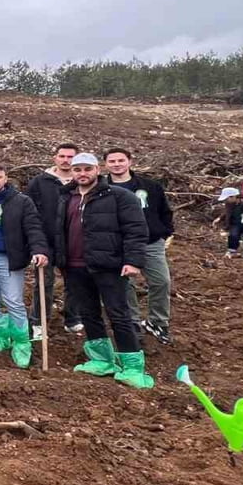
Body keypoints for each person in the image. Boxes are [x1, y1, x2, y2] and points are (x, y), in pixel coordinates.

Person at [56, 153, 153, 389]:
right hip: (75, 265)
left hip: (109, 266)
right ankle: (101, 359)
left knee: (118, 314)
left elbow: (135, 230)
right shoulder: (66, 197)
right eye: (77, 169)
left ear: (97, 170)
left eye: (87, 169)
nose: (82, 174)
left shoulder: (119, 196)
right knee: (88, 313)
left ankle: (131, 364)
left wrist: (133, 261)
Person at [0, 163, 48, 369]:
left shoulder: (21, 201)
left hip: (9, 258)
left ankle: (21, 341)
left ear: (6, 179)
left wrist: (38, 249)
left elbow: (33, 227)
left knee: (13, 300)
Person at [104, 148, 174, 345]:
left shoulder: (149, 186)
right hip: (118, 244)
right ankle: (132, 322)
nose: (117, 164)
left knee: (161, 281)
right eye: (112, 161)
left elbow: (164, 211)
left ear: (130, 161)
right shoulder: (101, 187)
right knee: (125, 285)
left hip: (150, 243)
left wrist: (164, 231)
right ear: (106, 164)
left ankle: (157, 322)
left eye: (120, 160)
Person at [25, 143, 80, 335]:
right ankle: (38, 322)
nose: (66, 160)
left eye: (70, 157)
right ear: (54, 158)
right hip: (46, 241)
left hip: (74, 243)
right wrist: (35, 242)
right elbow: (30, 213)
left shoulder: (83, 181)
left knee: (75, 283)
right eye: (62, 156)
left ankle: (72, 318)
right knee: (44, 282)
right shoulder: (39, 182)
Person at [214, 188, 243, 258]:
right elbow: (227, 212)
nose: (226, 200)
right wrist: (219, 218)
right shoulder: (229, 204)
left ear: (233, 196)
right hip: (235, 223)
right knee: (233, 235)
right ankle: (232, 252)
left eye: (227, 198)